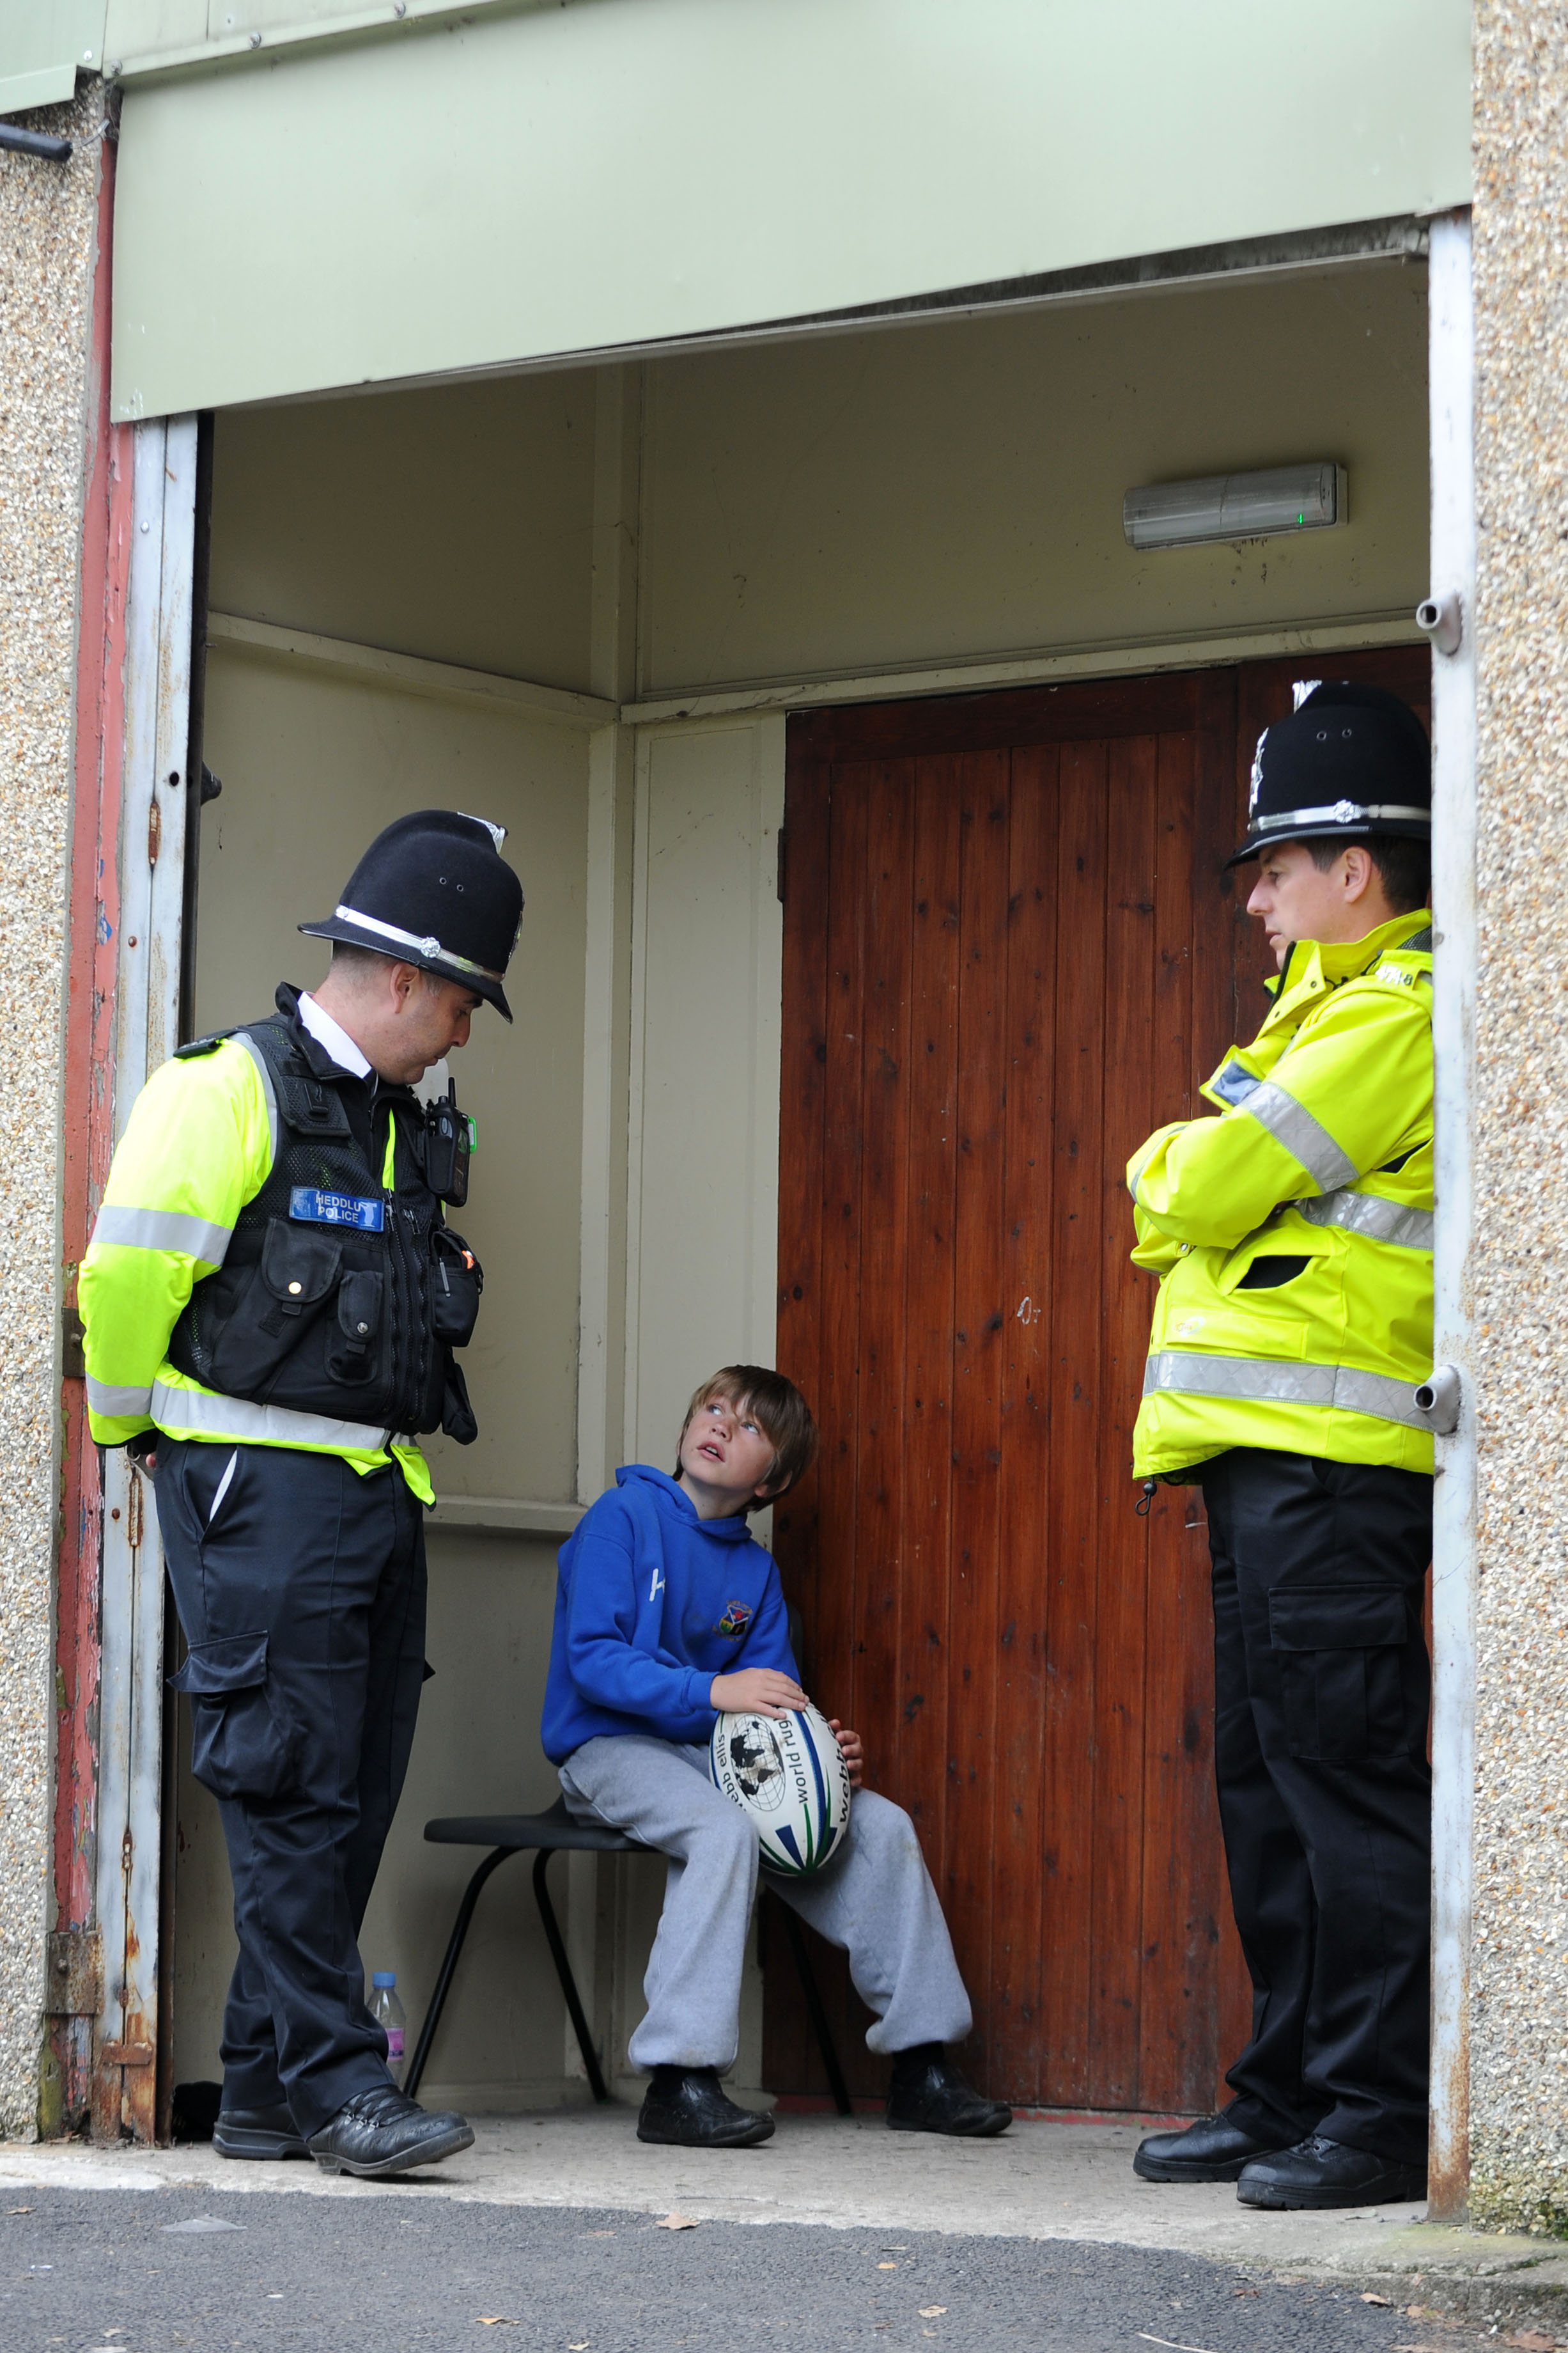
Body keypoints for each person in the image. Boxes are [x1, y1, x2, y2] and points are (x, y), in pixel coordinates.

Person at [80, 809, 524, 2180]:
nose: (462, 1032)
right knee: (286, 1787)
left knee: (353, 1784)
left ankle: (269, 2087)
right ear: (402, 978)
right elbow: (122, 1283)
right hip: (254, 1491)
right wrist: (135, 1434)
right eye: (462, 1002)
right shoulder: (222, 1090)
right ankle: (343, 2090)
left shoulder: (392, 1121)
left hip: (375, 1490)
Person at [1126, 682, 1436, 2212]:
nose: (1253, 896)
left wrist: (1171, 1165)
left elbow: (1193, 1184)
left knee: (1339, 1792)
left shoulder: (1394, 1011)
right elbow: (1197, 1191)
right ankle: (1289, 2093)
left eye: (1269, 866)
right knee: (1266, 1793)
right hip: (1262, 1469)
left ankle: (1373, 2114)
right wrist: (1186, 1177)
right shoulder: (1318, 1013)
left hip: (1329, 1477)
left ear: (1350, 870)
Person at [543, 1364, 1013, 2148]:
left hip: (711, 1754)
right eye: (714, 1407)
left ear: (774, 1480)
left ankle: (921, 2065)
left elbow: (775, 1706)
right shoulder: (621, 1517)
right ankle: (679, 2080)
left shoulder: (756, 1573)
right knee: (721, 1829)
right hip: (607, 1747)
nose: (722, 1424)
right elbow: (591, 1660)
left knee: (877, 1822)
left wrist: (823, 1759)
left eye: (750, 1425)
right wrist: (714, 1689)